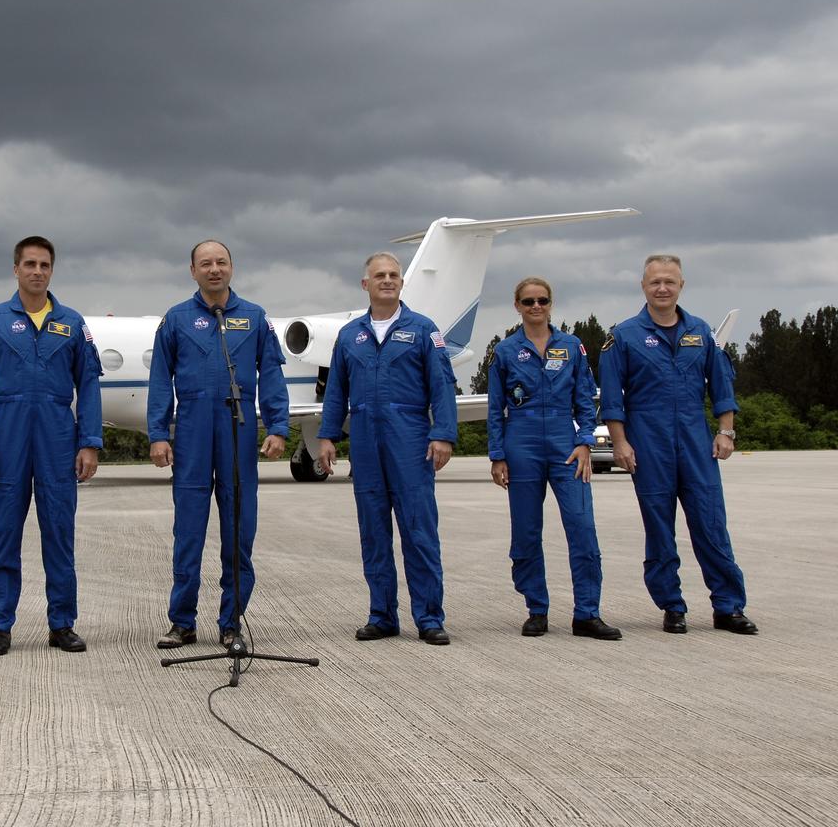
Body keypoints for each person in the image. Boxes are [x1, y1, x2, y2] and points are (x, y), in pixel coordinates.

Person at [598, 255, 757, 635]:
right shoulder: (623, 336)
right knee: (659, 528)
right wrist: (619, 443)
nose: (662, 288)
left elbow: (722, 385)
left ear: (681, 285)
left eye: (670, 281)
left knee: (711, 524)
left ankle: (728, 606)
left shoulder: (701, 333)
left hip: (695, 441)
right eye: (655, 282)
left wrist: (726, 431)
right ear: (644, 287)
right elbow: (612, 400)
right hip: (647, 442)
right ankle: (672, 606)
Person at [0, 236, 103, 657]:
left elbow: (90, 384)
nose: (37, 271)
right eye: (30, 264)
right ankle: (0, 624)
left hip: (58, 435)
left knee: (59, 532)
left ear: (52, 270)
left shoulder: (72, 323)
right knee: (3, 531)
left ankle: (62, 623)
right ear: (16, 269)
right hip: (6, 435)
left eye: (44, 265)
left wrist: (89, 443)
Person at [148, 240, 289, 649]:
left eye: (221, 262)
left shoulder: (255, 318)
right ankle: (182, 622)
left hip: (238, 427)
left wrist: (277, 427)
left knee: (239, 530)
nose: (214, 269)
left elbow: (273, 376)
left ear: (232, 268)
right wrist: (159, 434)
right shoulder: (175, 320)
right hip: (191, 428)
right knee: (188, 532)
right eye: (205, 263)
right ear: (192, 271)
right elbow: (160, 380)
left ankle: (232, 623)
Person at [317, 252, 456, 645]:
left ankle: (429, 617)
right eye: (380, 275)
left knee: (419, 530)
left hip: (410, 440)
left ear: (401, 283)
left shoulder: (424, 329)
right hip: (364, 441)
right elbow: (335, 392)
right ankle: (382, 615)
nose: (388, 280)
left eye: (394, 275)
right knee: (373, 533)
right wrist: (327, 436)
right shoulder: (350, 335)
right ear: (366, 284)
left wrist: (442, 433)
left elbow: (442, 385)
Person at [486, 278, 621, 640]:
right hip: (522, 442)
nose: (535, 307)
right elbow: (495, 408)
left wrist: (585, 442)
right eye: (528, 301)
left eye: (542, 300)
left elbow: (584, 399)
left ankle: (587, 613)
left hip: (566, 444)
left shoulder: (572, 346)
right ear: (517, 305)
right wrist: (497, 455)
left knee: (582, 528)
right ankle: (537, 609)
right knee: (527, 532)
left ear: (551, 304)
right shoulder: (505, 351)